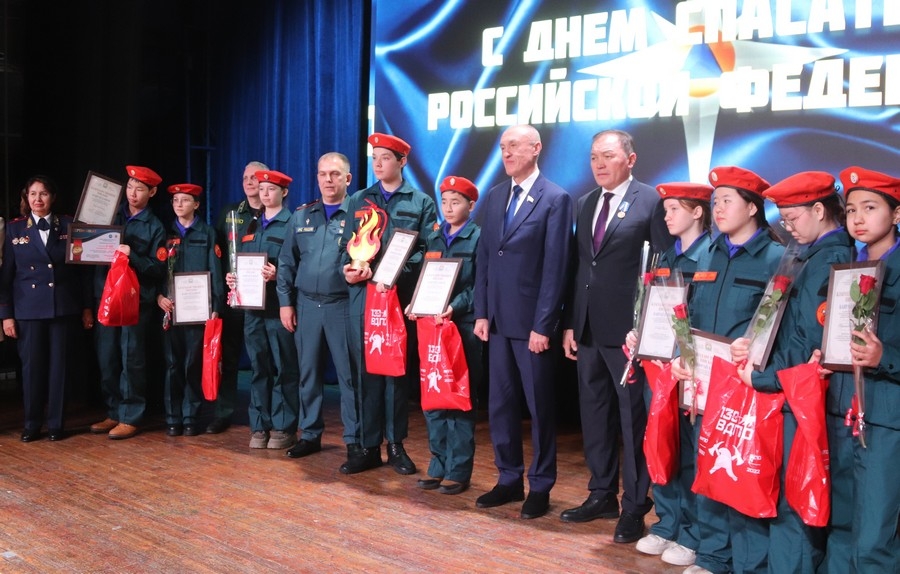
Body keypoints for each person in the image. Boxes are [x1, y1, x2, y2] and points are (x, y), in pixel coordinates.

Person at [726, 172, 852, 573]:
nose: (788, 227)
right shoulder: (806, 254)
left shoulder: (828, 260)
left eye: (793, 217)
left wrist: (762, 376)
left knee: (796, 499)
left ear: (819, 210)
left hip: (801, 393)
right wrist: (751, 344)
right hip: (792, 389)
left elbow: (809, 340)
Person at [670, 166, 784, 574]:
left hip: (747, 387)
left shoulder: (776, 258)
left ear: (752, 208)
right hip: (705, 383)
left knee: (742, 474)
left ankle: (749, 563)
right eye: (715, 201)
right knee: (709, 468)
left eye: (727, 201)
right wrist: (682, 354)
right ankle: (713, 556)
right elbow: (691, 311)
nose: (717, 209)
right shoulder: (710, 252)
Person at [561, 129, 670, 541]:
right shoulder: (586, 202)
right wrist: (571, 321)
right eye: (594, 157)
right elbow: (581, 268)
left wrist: (648, 328)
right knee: (594, 414)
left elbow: (661, 268)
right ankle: (601, 493)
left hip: (629, 333)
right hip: (588, 327)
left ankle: (635, 505)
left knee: (632, 419)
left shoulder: (651, 201)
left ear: (631, 159)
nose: (599, 164)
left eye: (608, 156)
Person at [473, 124, 572, 519]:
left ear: (536, 148)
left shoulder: (555, 198)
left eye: (514, 146)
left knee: (540, 408)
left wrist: (543, 325)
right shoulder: (496, 195)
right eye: (503, 147)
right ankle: (508, 478)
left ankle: (541, 484)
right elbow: (485, 257)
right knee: (500, 405)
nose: (507, 153)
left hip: (532, 326)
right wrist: (482, 311)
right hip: (497, 321)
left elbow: (556, 267)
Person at [340, 133, 437, 475]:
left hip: (398, 299)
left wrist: (393, 273)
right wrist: (348, 270)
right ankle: (368, 446)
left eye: (385, 157)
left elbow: (428, 251)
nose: (378, 163)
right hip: (364, 298)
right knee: (364, 373)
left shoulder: (420, 202)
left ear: (402, 161)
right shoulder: (359, 200)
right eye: (374, 157)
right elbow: (346, 246)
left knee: (395, 373)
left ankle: (396, 445)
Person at [821, 166, 900, 573]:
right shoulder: (845, 268)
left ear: (897, 214)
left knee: (873, 538)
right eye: (851, 210)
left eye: (870, 208)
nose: (858, 219)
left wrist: (885, 357)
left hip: (885, 419)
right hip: (840, 411)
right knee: (840, 524)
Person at [631, 181, 714, 567]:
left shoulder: (712, 256)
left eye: (675, 209)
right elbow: (654, 308)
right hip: (660, 369)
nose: (667, 217)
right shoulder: (664, 255)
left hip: (693, 370)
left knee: (693, 452)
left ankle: (694, 533)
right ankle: (667, 523)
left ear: (698, 212)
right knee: (662, 443)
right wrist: (638, 332)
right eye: (665, 210)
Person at [277, 152, 358, 460]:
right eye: (323, 174)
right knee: (308, 374)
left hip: (342, 306)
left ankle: (354, 439)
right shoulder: (302, 216)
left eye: (335, 174)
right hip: (307, 305)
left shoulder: (360, 217)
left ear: (347, 178)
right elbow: (286, 263)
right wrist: (285, 303)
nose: (328, 180)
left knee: (349, 377)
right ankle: (310, 434)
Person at [0, 175, 91, 441]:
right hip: (28, 310)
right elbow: (6, 278)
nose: (38, 199)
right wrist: (6, 315)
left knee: (59, 369)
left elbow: (83, 273)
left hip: (62, 307)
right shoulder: (15, 229)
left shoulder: (69, 225)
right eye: (33, 194)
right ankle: (31, 424)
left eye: (43, 194)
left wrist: (87, 307)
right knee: (32, 370)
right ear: (26, 198)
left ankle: (56, 424)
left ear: (52, 197)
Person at [408, 175, 482, 495]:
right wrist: (416, 302)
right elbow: (426, 278)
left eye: (456, 202)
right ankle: (438, 464)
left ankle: (459, 469)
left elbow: (481, 286)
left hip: (462, 327)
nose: (448, 208)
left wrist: (455, 306)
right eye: (445, 202)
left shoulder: (478, 237)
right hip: (432, 328)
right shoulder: (434, 237)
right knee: (434, 393)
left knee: (460, 399)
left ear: (471, 205)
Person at [90, 165, 167, 440]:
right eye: (130, 187)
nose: (133, 193)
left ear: (152, 192)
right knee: (107, 357)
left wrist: (131, 254)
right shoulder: (110, 216)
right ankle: (113, 411)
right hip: (107, 297)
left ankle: (130, 416)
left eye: (140, 189)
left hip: (135, 301)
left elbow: (157, 268)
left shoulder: (155, 226)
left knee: (131, 358)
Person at [227, 169, 299, 449]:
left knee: (284, 368)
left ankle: (284, 427)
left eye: (271, 189)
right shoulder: (251, 225)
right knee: (259, 367)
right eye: (262, 188)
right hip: (253, 309)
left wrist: (279, 273)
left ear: (284, 192)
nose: (265, 194)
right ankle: (259, 426)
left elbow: (300, 265)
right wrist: (234, 278)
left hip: (278, 308)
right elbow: (244, 262)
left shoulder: (292, 223)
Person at [157, 183, 223, 436]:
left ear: (196, 204)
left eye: (185, 200)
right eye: (175, 201)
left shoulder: (207, 233)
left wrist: (215, 306)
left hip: (198, 311)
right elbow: (157, 270)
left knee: (192, 364)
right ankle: (173, 417)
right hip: (171, 310)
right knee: (172, 365)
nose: (179, 205)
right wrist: (159, 296)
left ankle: (190, 417)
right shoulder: (165, 232)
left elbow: (215, 271)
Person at [208, 160, 268, 434]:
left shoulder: (274, 212)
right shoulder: (230, 213)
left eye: (254, 177)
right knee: (229, 358)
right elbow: (217, 254)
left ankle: (263, 416)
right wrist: (222, 284)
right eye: (245, 177)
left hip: (264, 300)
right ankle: (223, 413)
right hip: (234, 297)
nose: (249, 181)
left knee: (262, 360)